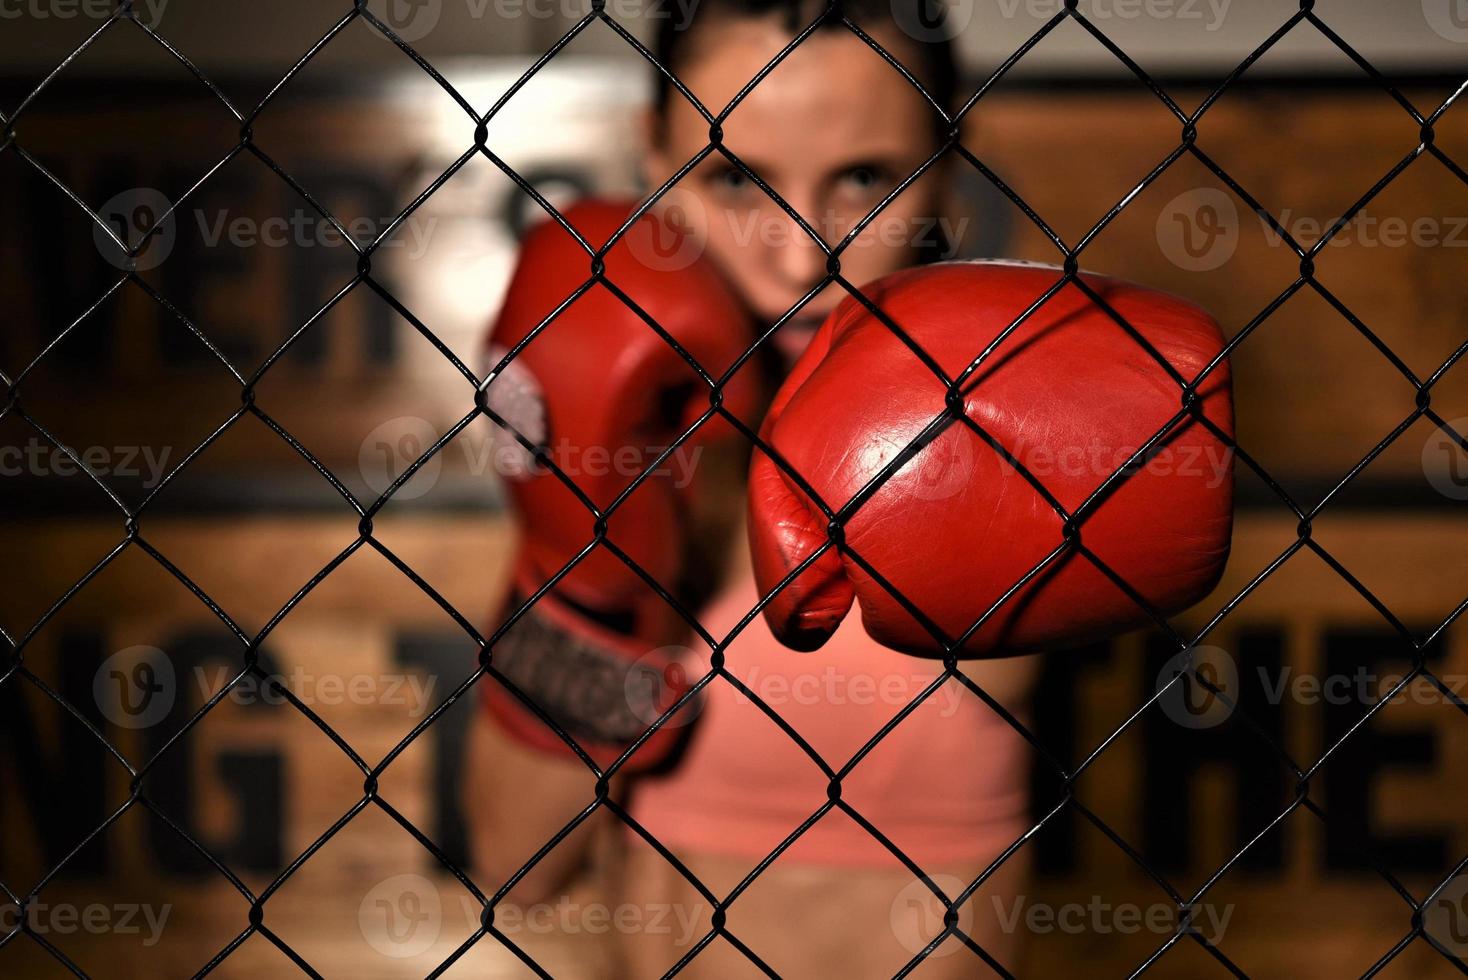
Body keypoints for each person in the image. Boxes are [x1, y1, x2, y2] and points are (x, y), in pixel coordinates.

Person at [464, 1, 1041, 975]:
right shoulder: (635, 435)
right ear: (652, 157)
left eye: (863, 177)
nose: (800, 258)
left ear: (945, 165)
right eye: (735, 179)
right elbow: (516, 864)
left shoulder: (1017, 413)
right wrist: (588, 573)